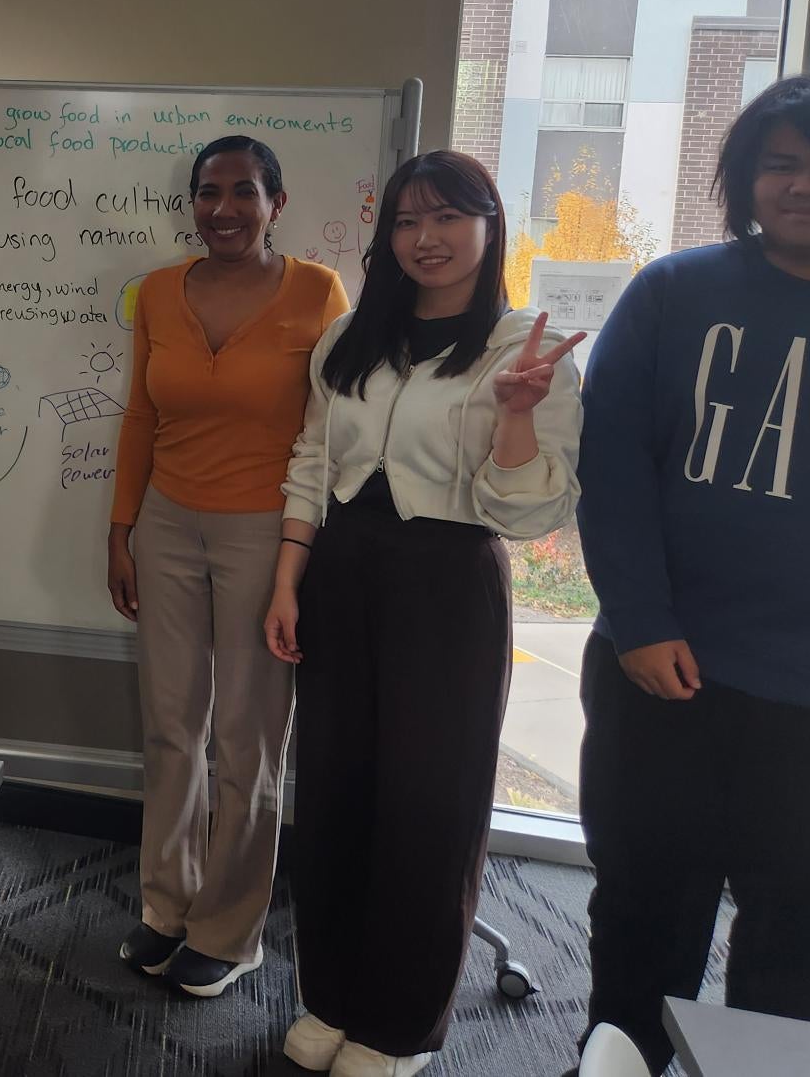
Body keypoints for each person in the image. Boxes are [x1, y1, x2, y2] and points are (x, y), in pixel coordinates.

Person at [264, 150, 583, 1077]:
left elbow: (531, 514)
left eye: (448, 218)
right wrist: (288, 578)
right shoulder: (353, 337)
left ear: (489, 227)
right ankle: (329, 996)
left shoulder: (521, 348)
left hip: (448, 583)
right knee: (334, 792)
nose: (426, 239)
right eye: (407, 221)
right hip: (342, 572)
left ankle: (399, 1027)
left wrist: (517, 416)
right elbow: (311, 465)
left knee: (429, 807)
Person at [566, 74, 810, 1077]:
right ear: (743, 179)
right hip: (660, 672)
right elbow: (609, 470)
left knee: (807, 933)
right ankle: (620, 1064)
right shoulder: (673, 292)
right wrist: (638, 622)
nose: (804, 185)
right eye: (779, 163)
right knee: (643, 904)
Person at [107, 136, 349, 997]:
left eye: (243, 192)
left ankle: (229, 927)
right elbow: (140, 415)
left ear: (275, 202)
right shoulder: (161, 291)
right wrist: (121, 529)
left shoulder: (320, 293)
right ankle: (166, 907)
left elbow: (327, 434)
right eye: (208, 193)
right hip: (168, 523)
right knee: (173, 727)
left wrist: (298, 553)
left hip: (264, 532)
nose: (224, 210)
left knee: (249, 736)